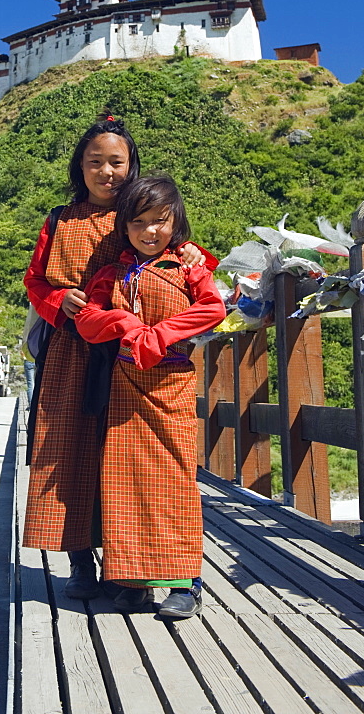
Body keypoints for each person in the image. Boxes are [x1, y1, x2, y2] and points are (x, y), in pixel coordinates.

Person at [22, 116, 217, 600]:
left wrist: (197, 257)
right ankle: (81, 566)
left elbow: (190, 273)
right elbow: (35, 282)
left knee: (133, 460)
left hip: (136, 361)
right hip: (72, 350)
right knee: (71, 454)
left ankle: (130, 567)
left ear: (131, 168)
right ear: (80, 166)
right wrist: (56, 303)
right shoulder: (58, 220)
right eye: (95, 162)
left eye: (116, 162)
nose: (105, 171)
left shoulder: (147, 215)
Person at [74, 177, 226, 617]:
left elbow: (213, 308)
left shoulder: (189, 266)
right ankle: (134, 582)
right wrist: (122, 323)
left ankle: (185, 584)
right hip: (125, 387)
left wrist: (159, 334)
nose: (149, 231)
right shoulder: (112, 273)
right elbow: (87, 320)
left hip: (171, 384)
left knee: (175, 481)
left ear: (175, 221)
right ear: (125, 226)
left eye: (160, 221)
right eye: (139, 222)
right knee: (124, 483)